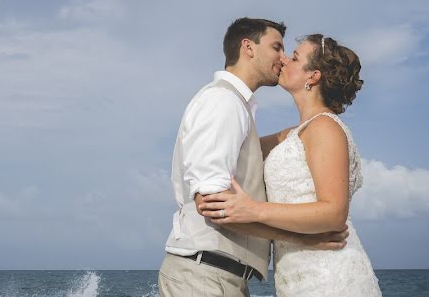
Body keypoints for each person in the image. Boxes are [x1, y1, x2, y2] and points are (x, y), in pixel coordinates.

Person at [159, 20, 350, 297]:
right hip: (205, 275)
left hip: (221, 275)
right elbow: (212, 204)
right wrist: (301, 238)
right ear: (248, 47)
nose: (283, 58)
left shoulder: (237, 108)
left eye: (290, 53)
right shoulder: (223, 103)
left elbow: (268, 149)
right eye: (276, 47)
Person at [198, 34, 382, 296]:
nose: (284, 59)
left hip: (328, 276)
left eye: (294, 57)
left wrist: (254, 210)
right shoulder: (292, 135)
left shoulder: (325, 129)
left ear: (313, 76)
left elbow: (334, 212)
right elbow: (235, 146)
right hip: (296, 276)